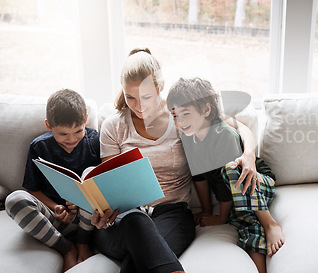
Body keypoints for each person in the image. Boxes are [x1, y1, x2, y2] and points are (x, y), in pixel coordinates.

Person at [92, 48, 260, 273]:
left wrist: (248, 154)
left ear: (160, 88)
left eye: (146, 97)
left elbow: (240, 126)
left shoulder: (181, 116)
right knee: (136, 221)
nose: (139, 105)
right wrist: (103, 212)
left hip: (172, 214)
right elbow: (110, 186)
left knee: (138, 259)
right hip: (124, 219)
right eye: (130, 97)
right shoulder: (114, 126)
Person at [166, 77, 285, 273]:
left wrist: (221, 217)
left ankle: (270, 224)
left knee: (231, 170)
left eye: (185, 114)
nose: (180, 122)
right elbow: (199, 177)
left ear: (206, 110)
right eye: (175, 115)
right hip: (237, 195)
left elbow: (227, 183)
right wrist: (206, 209)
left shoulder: (223, 134)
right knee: (246, 222)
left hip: (258, 183)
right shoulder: (188, 137)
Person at [5, 89, 100, 272]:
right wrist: (55, 207)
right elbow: (32, 189)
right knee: (14, 200)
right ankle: (66, 248)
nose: (71, 139)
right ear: (49, 125)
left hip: (88, 218)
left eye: (78, 131)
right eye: (63, 134)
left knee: (92, 175)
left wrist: (81, 202)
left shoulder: (94, 141)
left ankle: (83, 243)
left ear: (86, 119)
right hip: (54, 219)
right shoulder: (39, 147)